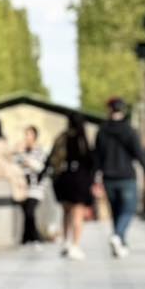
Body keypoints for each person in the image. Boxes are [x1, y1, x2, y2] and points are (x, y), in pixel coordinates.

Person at [95, 96, 145, 258]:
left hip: (108, 177)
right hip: (126, 176)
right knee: (128, 209)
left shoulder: (102, 130)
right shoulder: (129, 130)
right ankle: (118, 236)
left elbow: (97, 156)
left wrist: (95, 177)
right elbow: (139, 154)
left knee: (116, 211)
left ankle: (120, 243)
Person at [48, 112, 95, 261]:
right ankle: (75, 244)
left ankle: (65, 242)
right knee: (77, 213)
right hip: (79, 179)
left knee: (66, 212)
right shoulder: (83, 139)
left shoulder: (62, 138)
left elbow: (51, 158)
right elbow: (90, 161)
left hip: (63, 178)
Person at [13, 125, 47, 246]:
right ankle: (28, 237)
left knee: (29, 211)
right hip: (22, 187)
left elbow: (39, 167)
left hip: (35, 187)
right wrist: (19, 153)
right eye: (25, 134)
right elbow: (15, 166)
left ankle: (34, 237)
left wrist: (25, 159)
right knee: (25, 213)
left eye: (29, 134)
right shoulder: (20, 150)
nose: (26, 137)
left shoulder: (40, 150)